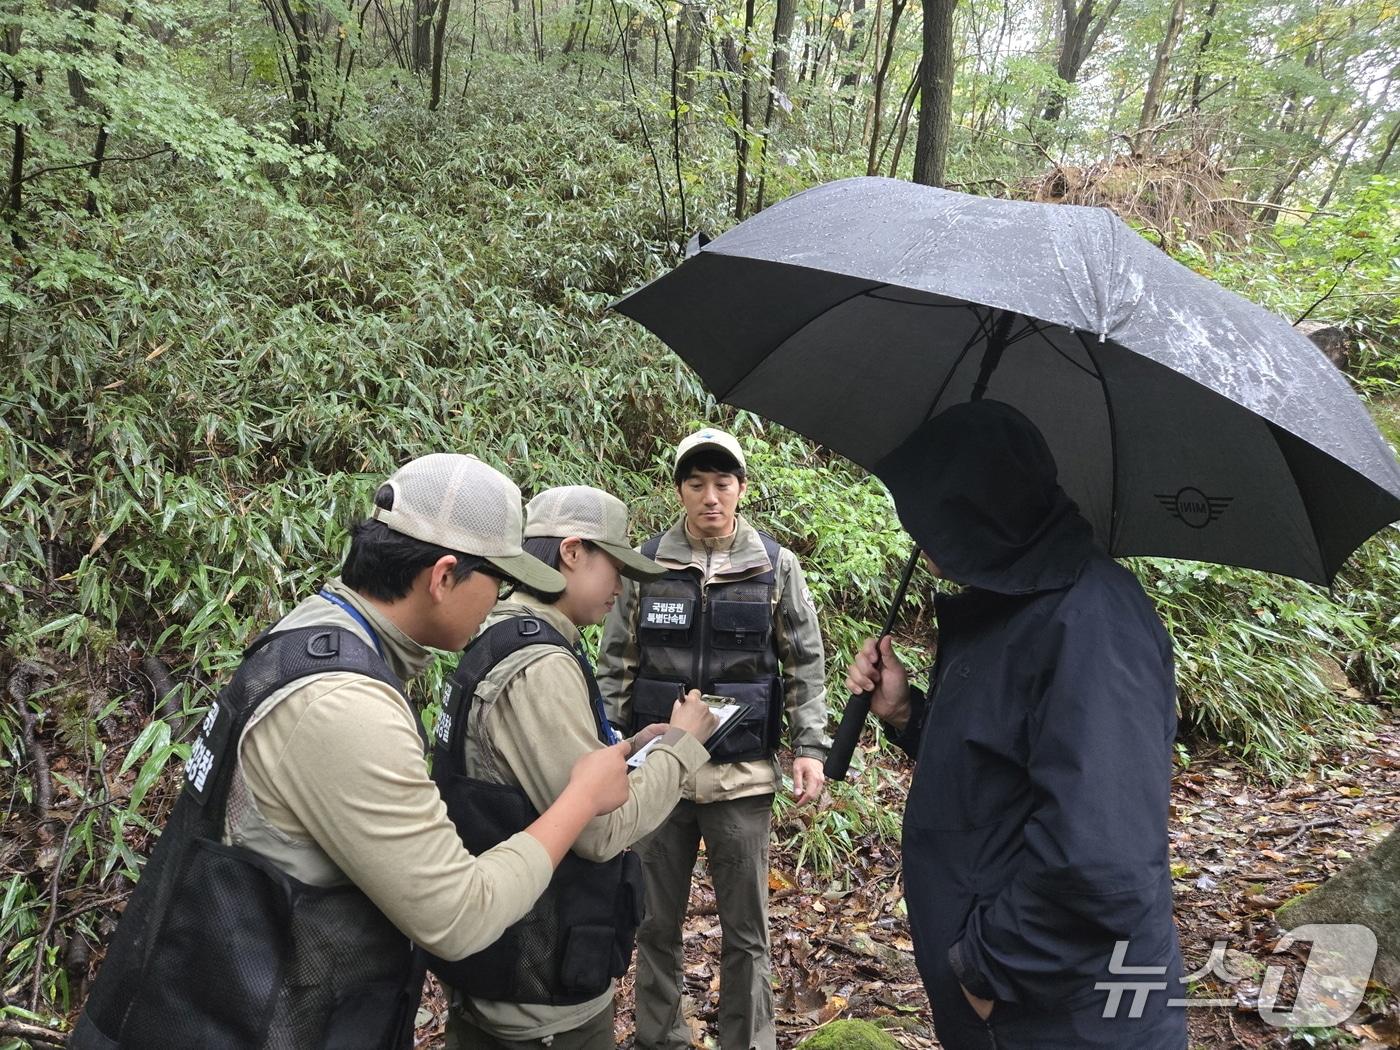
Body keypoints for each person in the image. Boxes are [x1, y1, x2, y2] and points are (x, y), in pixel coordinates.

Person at [71, 454, 632, 1050]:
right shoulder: (343, 704)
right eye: (496, 579)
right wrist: (580, 798)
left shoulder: (313, 632)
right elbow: (458, 915)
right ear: (443, 577)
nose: (500, 600)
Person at [844, 400, 1187, 1050]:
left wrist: (984, 971)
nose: (919, 537)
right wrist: (907, 713)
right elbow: (997, 769)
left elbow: (1102, 859)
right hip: (1021, 1007)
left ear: (981, 513)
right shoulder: (1009, 600)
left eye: (933, 518)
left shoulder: (1092, 625)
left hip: (1067, 1015)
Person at [432, 485, 721, 1050]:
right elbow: (599, 829)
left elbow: (527, 777)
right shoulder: (541, 666)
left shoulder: (505, 633)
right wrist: (681, 747)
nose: (622, 587)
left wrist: (633, 744)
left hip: (502, 971)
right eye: (615, 566)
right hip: (538, 995)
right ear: (572, 552)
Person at [597, 427, 831, 1050]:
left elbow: (805, 663)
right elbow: (617, 664)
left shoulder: (775, 565)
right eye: (696, 484)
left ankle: (746, 1042)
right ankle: (660, 1038)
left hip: (742, 780)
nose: (710, 496)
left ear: (741, 489)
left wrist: (810, 749)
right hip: (657, 779)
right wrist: (611, 752)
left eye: (722, 483)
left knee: (746, 933)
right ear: (679, 491)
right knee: (653, 923)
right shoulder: (645, 565)